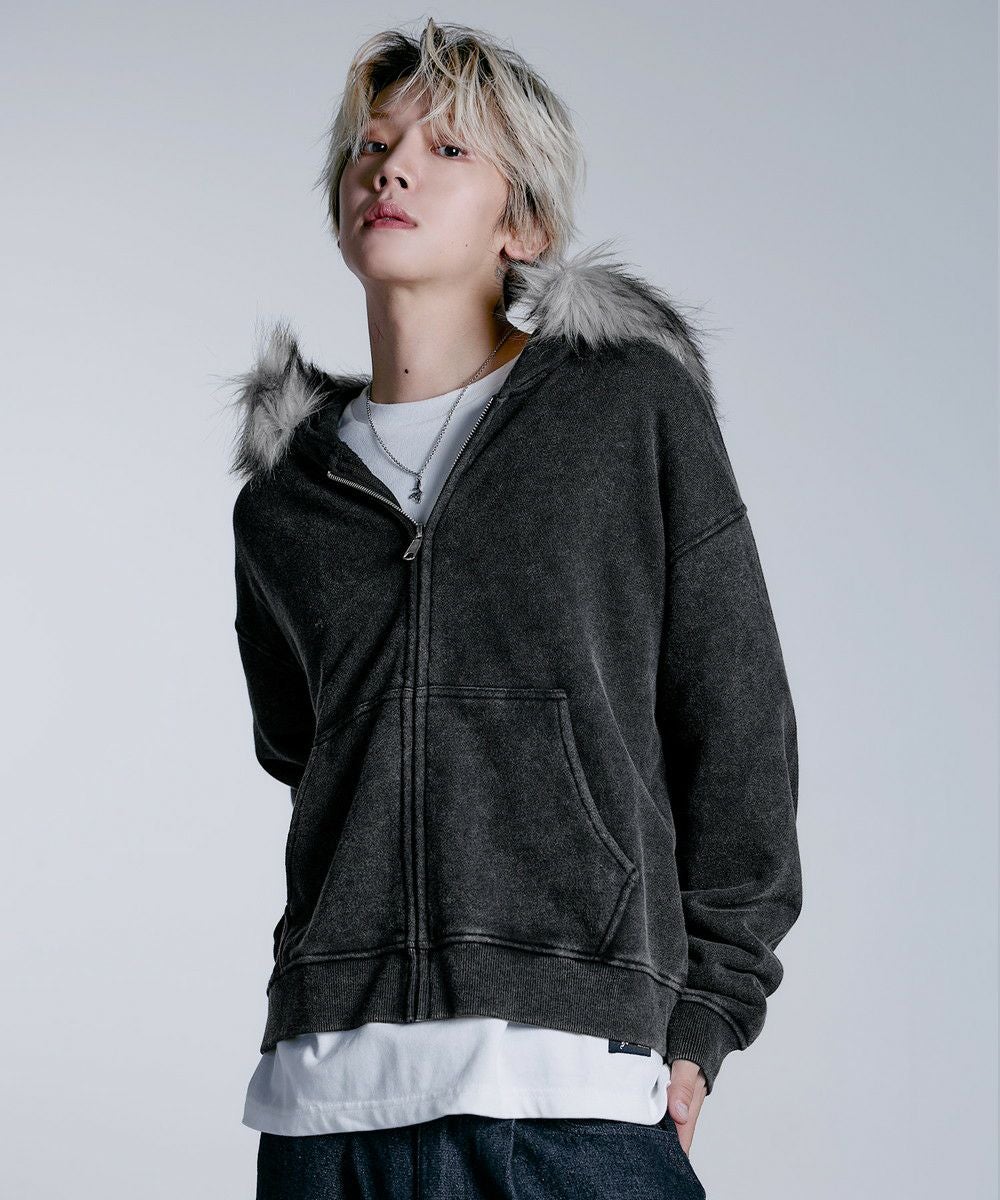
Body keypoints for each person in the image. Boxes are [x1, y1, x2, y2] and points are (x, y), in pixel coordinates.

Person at [226, 18, 802, 1200]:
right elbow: (302, 750)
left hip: (570, 1090)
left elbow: (736, 725)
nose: (392, 169)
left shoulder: (623, 412)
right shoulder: (285, 499)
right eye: (372, 146)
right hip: (325, 1104)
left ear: (522, 223)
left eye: (446, 150)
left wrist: (706, 1013)